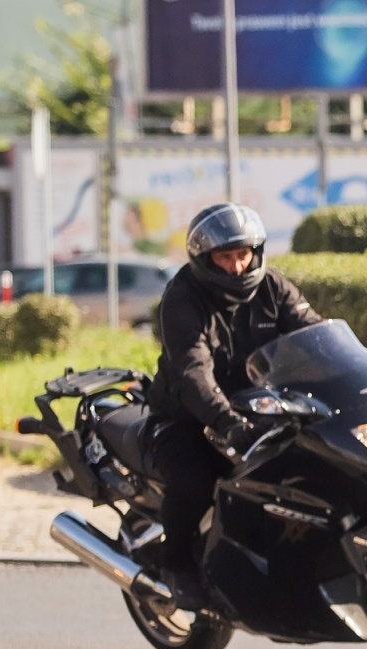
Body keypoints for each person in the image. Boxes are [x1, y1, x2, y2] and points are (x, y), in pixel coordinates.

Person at [147, 203, 321, 609]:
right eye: (225, 257)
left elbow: (313, 332)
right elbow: (193, 372)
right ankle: (176, 565)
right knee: (193, 480)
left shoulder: (273, 287)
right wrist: (228, 422)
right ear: (205, 259)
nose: (237, 266)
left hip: (259, 409)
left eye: (243, 255)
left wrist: (363, 371)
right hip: (188, 416)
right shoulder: (183, 299)